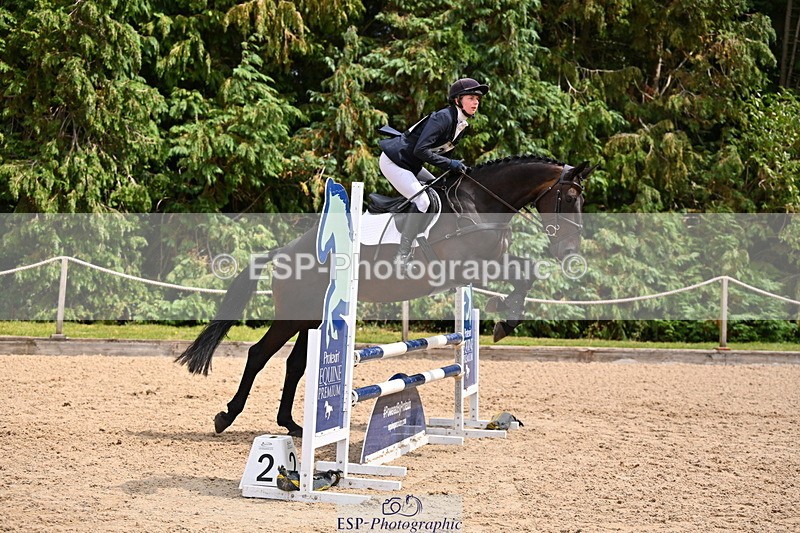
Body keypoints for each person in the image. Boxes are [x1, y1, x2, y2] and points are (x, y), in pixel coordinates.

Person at [379, 77, 489, 267]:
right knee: (422, 200)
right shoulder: (443, 117)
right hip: (394, 161)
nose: (476, 102)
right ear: (457, 100)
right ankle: (401, 255)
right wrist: (450, 164)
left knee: (442, 190)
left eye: (477, 99)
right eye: (471, 97)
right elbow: (420, 150)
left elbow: (444, 156)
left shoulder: (460, 124)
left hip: (411, 164)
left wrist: (457, 169)